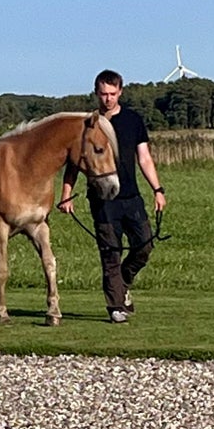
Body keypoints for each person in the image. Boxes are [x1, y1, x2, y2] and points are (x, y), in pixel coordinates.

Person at [59, 69, 167, 323]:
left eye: (112, 94)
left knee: (144, 246)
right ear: (96, 93)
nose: (108, 98)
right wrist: (66, 193)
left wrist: (158, 190)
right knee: (110, 253)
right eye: (103, 94)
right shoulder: (88, 123)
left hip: (132, 197)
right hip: (103, 201)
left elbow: (145, 158)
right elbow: (74, 162)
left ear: (120, 92)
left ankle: (124, 282)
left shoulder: (133, 120)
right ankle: (116, 305)